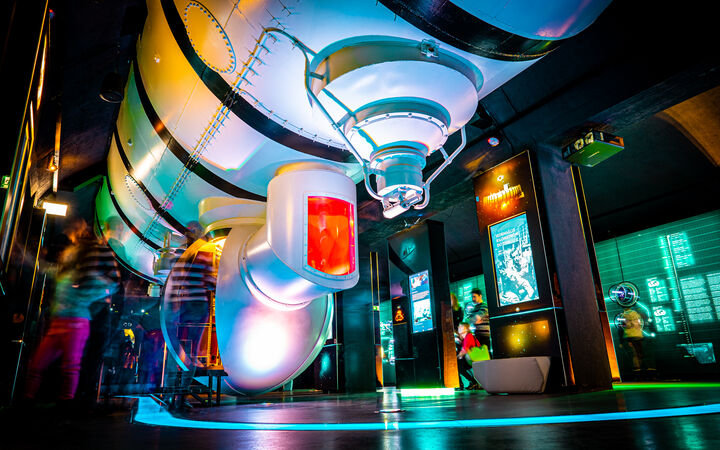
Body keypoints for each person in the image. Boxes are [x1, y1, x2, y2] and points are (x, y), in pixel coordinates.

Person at [24, 219, 121, 408]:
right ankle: (32, 399)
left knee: (69, 366)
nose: (66, 254)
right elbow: (45, 268)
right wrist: (26, 254)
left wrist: (89, 297)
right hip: (62, 322)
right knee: (40, 365)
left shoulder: (83, 274)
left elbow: (110, 285)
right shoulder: (67, 273)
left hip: (76, 322)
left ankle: (65, 402)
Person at [620, 307, 644, 379]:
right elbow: (641, 324)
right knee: (639, 354)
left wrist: (624, 341)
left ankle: (637, 372)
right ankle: (642, 371)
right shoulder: (637, 314)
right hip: (639, 336)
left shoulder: (624, 315)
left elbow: (625, 327)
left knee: (634, 355)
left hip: (630, 337)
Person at [456, 322, 480, 390]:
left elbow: (464, 350)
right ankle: (471, 382)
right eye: (459, 327)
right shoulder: (465, 337)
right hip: (470, 358)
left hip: (474, 358)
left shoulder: (469, 336)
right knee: (459, 365)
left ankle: (472, 382)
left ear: (466, 329)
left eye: (461, 327)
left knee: (456, 365)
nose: (459, 328)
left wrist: (457, 357)